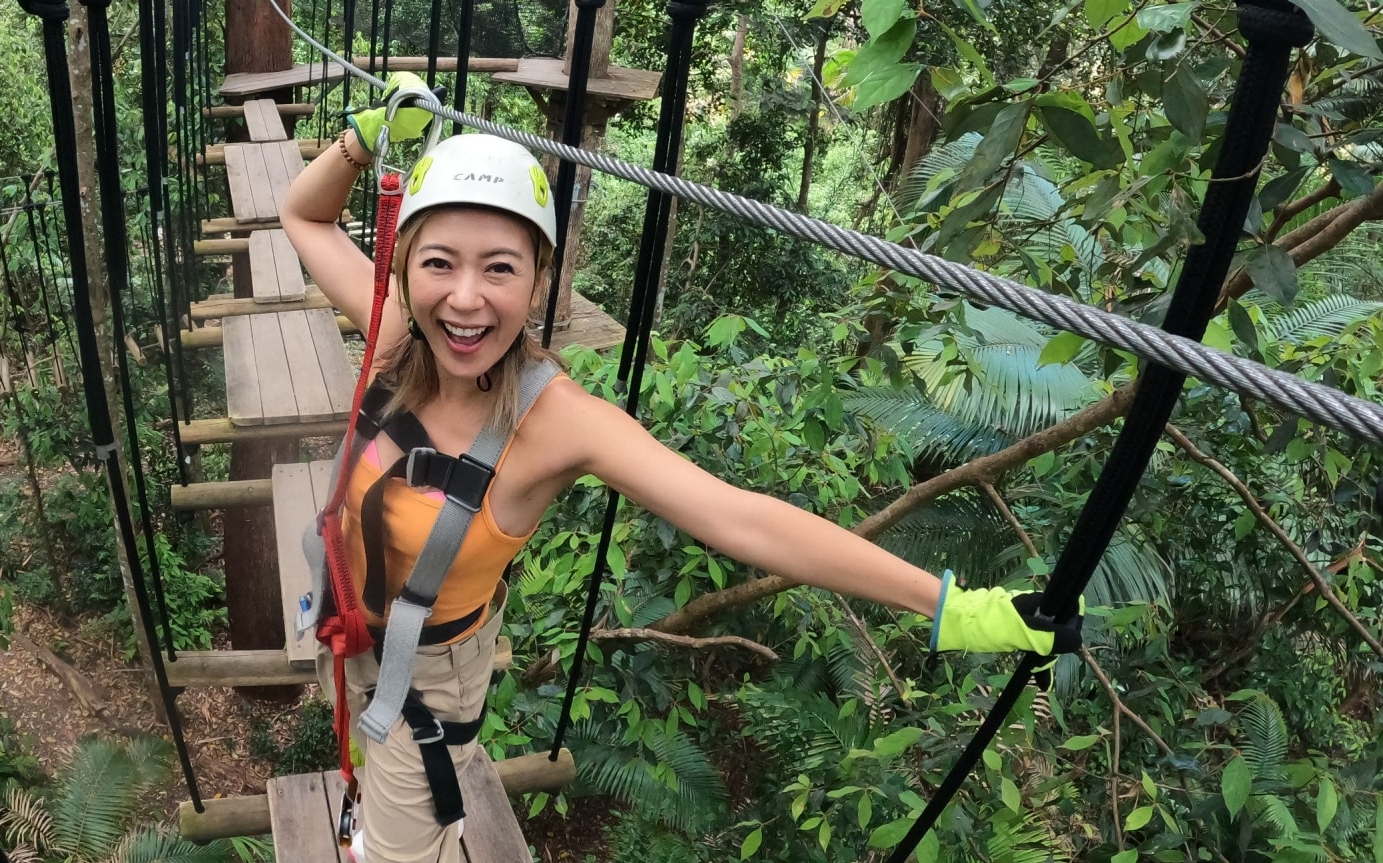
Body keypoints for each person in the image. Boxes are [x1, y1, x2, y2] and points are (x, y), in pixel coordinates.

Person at [277, 73, 1079, 863]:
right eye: (439, 263)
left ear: (539, 280)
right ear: (404, 268)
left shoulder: (557, 425)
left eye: (499, 268)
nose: (464, 298)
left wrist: (958, 610)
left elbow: (744, 519)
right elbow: (304, 216)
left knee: (401, 837)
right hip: (349, 620)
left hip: (426, 678)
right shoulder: (396, 339)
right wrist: (363, 139)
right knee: (388, 795)